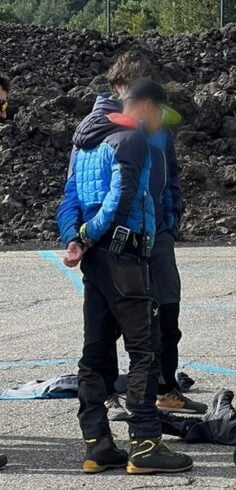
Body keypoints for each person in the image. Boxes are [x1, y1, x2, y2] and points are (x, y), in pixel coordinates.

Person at [55, 80, 193, 475]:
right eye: (157, 116)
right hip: (125, 256)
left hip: (96, 262)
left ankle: (96, 445)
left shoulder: (85, 142)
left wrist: (75, 239)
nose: (157, 126)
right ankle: (146, 445)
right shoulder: (129, 140)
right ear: (145, 106)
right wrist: (89, 234)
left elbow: (68, 199)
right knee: (145, 351)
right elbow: (122, 197)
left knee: (95, 354)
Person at [82, 52, 201, 416]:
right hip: (116, 238)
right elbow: (83, 184)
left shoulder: (157, 127)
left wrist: (171, 216)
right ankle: (109, 395)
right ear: (119, 88)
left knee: (167, 313)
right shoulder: (98, 126)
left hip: (157, 232)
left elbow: (171, 176)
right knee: (112, 321)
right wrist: (86, 232)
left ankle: (166, 387)